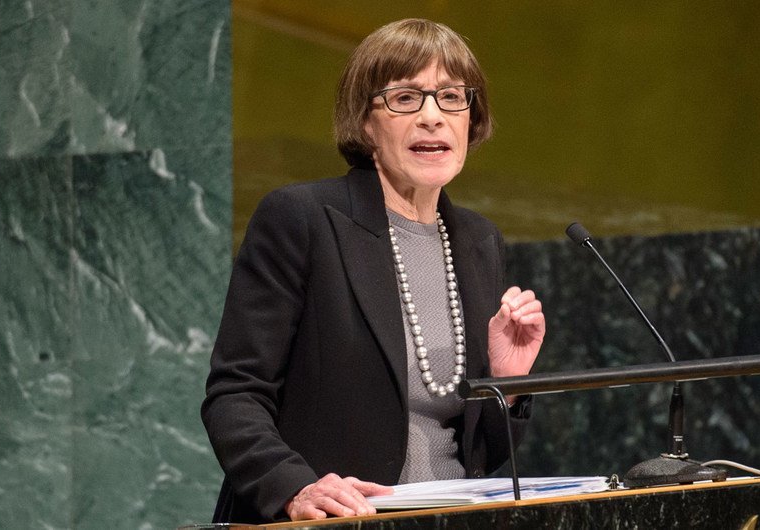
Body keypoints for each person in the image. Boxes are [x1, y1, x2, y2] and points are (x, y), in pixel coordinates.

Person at [201, 18, 546, 524]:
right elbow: (235, 395)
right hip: (335, 521)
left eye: (451, 97)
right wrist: (294, 488)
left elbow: (482, 456)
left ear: (471, 119)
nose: (433, 117)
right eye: (406, 98)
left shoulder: (478, 241)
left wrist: (506, 387)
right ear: (366, 123)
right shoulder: (303, 219)